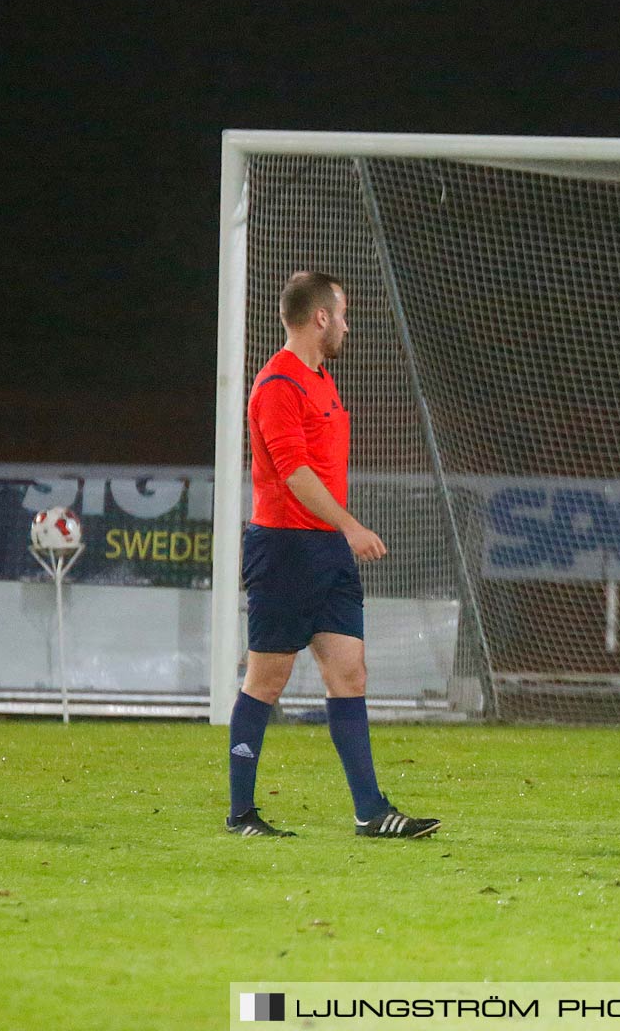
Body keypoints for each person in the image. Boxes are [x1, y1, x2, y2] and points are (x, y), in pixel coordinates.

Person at [227, 271, 441, 839]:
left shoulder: (321, 380)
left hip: (325, 551)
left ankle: (371, 812)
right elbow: (294, 474)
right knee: (266, 680)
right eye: (341, 314)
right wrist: (349, 525)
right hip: (284, 550)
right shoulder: (279, 384)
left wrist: (338, 534)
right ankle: (241, 814)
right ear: (320, 317)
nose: (346, 324)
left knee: (349, 674)